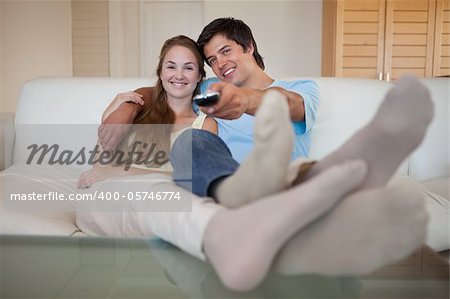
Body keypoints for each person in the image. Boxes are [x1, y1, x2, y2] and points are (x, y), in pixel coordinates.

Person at [77, 35, 217, 189]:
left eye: (188, 68)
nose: (179, 75)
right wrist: (108, 118)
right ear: (160, 73)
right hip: (119, 197)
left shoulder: (205, 125)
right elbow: (99, 169)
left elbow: (193, 178)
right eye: (171, 67)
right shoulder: (136, 113)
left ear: (199, 76)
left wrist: (121, 172)